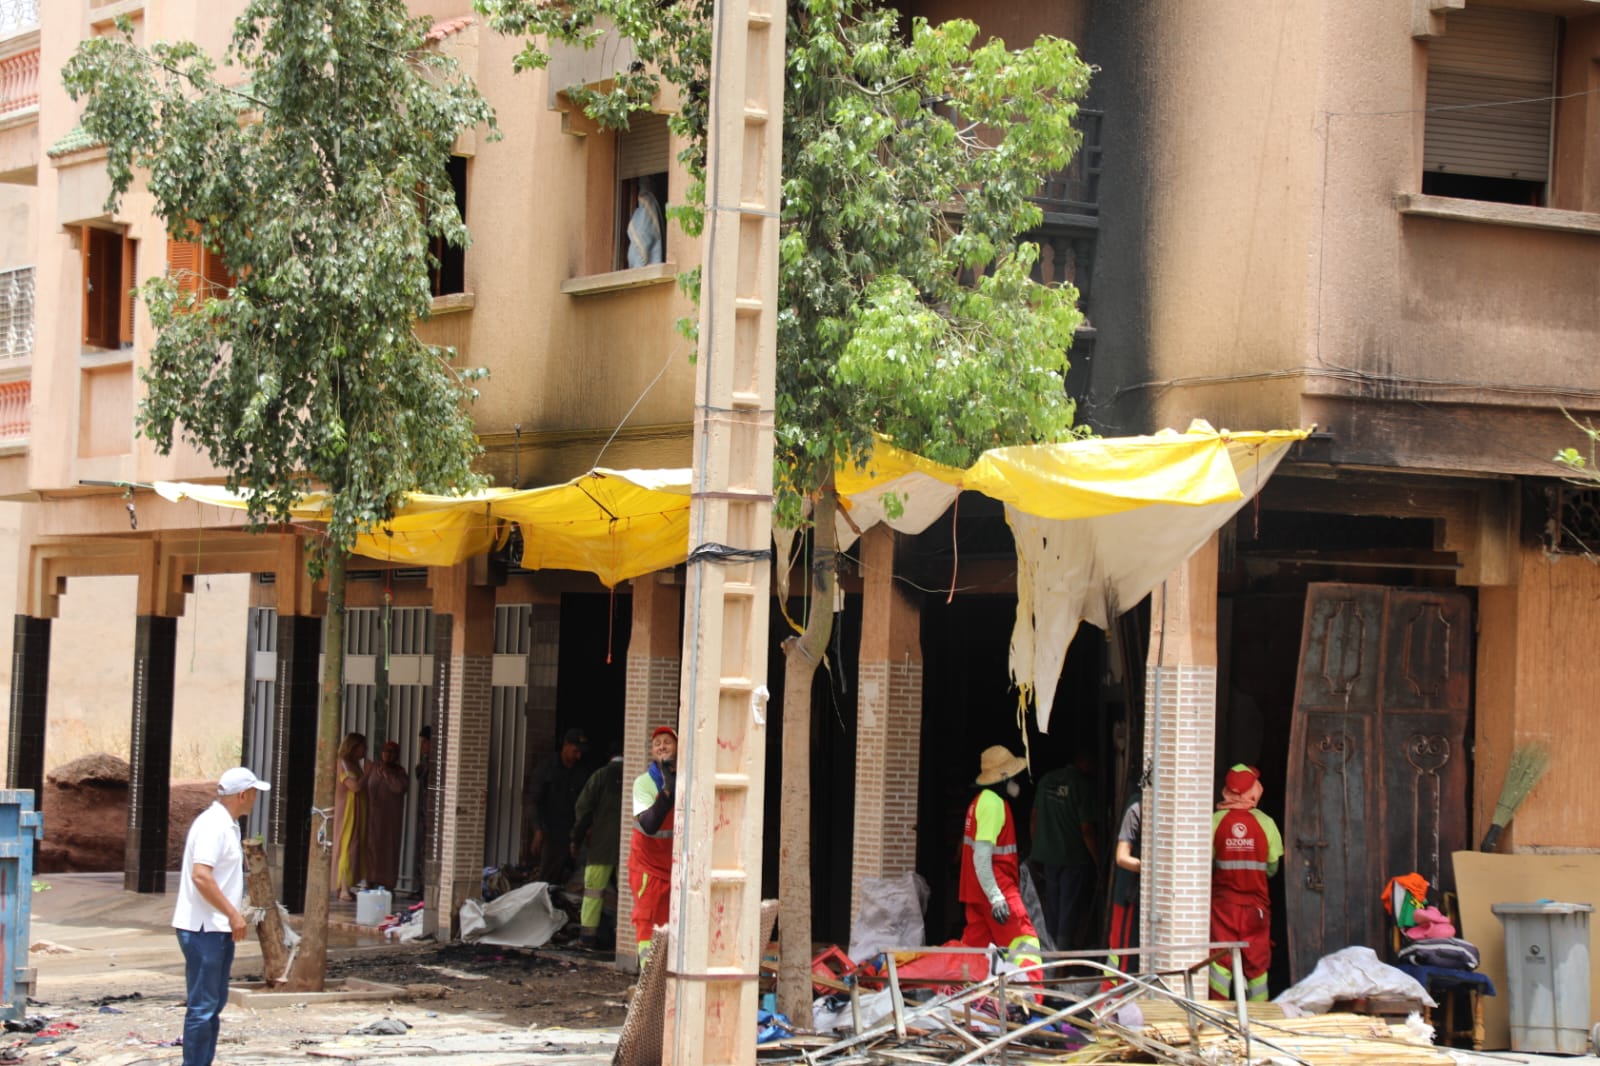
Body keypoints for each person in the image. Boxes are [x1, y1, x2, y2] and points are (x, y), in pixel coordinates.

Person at [172, 767, 269, 1066]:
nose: (255, 799)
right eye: (254, 793)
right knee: (203, 1006)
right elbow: (201, 876)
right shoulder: (214, 826)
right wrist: (232, 914)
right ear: (242, 795)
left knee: (213, 1003)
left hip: (216, 928)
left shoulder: (228, 824)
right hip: (204, 928)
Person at [959, 745, 1043, 984]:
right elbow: (982, 856)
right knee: (1025, 943)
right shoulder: (993, 804)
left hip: (977, 893)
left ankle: (962, 992)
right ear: (1004, 777)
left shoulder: (979, 802)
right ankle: (1031, 995)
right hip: (998, 891)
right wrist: (996, 897)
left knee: (974, 952)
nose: (1016, 781)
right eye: (1013, 775)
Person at [1208, 764, 1283, 1002]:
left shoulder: (1215, 822)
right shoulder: (1266, 823)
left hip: (1223, 906)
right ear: (1253, 790)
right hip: (1256, 907)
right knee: (1257, 965)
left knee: (1219, 961)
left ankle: (1215, 1013)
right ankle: (1260, 1016)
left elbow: (1205, 864)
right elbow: (1272, 867)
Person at [1029, 750, 1100, 949]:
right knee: (1068, 908)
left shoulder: (1046, 781)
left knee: (1052, 906)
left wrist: (1037, 849)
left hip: (1049, 856)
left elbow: (1034, 818)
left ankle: (1050, 953)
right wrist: (1098, 861)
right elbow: (1087, 830)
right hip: (1073, 857)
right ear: (1085, 762)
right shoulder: (1082, 786)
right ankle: (1062, 956)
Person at [628, 725, 677, 966]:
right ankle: (648, 979)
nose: (662, 746)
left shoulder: (687, 780)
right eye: (657, 743)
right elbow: (649, 824)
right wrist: (667, 792)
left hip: (673, 869)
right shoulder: (644, 783)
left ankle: (666, 980)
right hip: (647, 867)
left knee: (671, 926)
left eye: (667, 742)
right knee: (648, 925)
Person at [571, 742, 625, 950]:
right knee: (628, 893)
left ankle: (587, 938)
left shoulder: (600, 776)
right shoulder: (637, 776)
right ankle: (624, 938)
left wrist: (576, 838)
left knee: (593, 892)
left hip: (601, 847)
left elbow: (583, 808)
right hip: (629, 847)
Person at [528, 727, 591, 887]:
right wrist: (538, 830)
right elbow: (534, 801)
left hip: (573, 833)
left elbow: (587, 804)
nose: (578, 756)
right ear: (566, 745)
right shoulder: (546, 768)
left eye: (580, 752)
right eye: (575, 751)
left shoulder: (581, 772)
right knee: (547, 878)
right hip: (550, 832)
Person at [364, 740, 409, 892]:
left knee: (389, 849)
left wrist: (387, 774)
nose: (388, 755)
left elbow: (399, 788)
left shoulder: (400, 772)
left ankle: (387, 883)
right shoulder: (373, 768)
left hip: (391, 819)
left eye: (392, 752)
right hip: (372, 817)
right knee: (372, 848)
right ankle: (370, 880)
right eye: (386, 751)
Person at [1105, 797, 1141, 986]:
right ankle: (1111, 997)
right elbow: (1121, 857)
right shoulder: (1137, 808)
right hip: (1128, 897)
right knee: (1122, 954)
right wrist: (1148, 866)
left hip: (1142, 898)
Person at [332, 731, 369, 901]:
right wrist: (367, 773)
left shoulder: (354, 765)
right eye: (363, 747)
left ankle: (346, 885)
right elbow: (354, 786)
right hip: (347, 811)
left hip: (357, 811)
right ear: (354, 747)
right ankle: (343, 888)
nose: (365, 750)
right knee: (345, 846)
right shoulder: (343, 763)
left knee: (354, 846)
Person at [413, 724, 432, 884]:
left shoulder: (436, 763)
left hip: (432, 814)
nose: (422, 746)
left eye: (425, 742)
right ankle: (421, 885)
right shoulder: (425, 762)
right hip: (423, 814)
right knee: (421, 849)